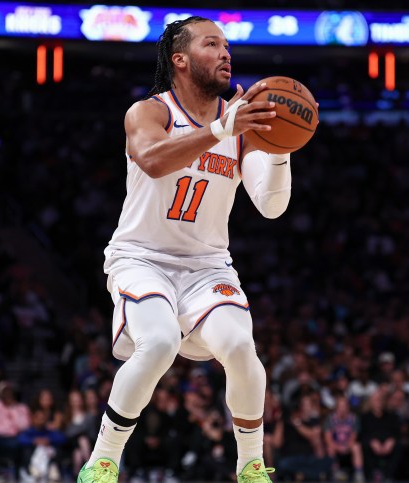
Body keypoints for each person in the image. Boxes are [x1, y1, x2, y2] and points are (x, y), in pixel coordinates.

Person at [78, 15, 308, 483]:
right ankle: (103, 459)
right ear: (180, 59)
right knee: (160, 341)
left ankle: (250, 465)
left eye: (227, 45)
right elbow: (154, 159)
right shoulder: (150, 112)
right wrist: (222, 130)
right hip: (142, 257)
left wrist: (282, 145)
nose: (225, 53)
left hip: (206, 265)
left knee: (242, 346)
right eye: (212, 44)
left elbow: (271, 206)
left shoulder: (241, 125)